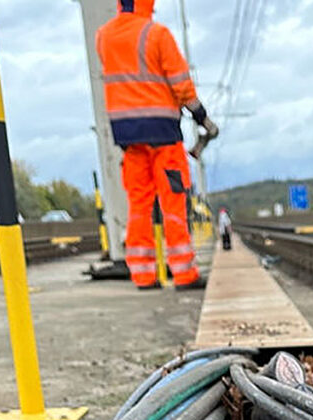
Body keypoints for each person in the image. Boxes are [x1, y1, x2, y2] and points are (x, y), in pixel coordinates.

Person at [96, 0, 218, 290]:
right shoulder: (156, 33)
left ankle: (143, 275)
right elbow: (180, 84)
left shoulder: (103, 36)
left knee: (138, 205)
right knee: (173, 202)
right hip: (162, 131)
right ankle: (184, 274)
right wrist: (201, 116)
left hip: (127, 134)